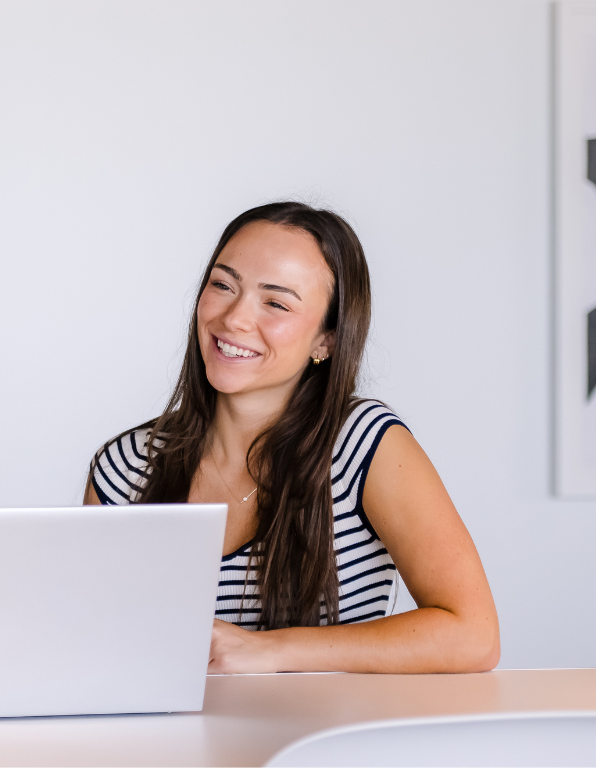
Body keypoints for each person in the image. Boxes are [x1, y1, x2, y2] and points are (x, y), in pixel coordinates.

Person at [84, 202, 498, 674]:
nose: (235, 318)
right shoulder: (125, 467)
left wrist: (270, 650)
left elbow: (473, 634)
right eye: (223, 285)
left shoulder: (364, 445)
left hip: (324, 746)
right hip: (163, 747)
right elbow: (92, 645)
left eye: (276, 302)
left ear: (327, 340)